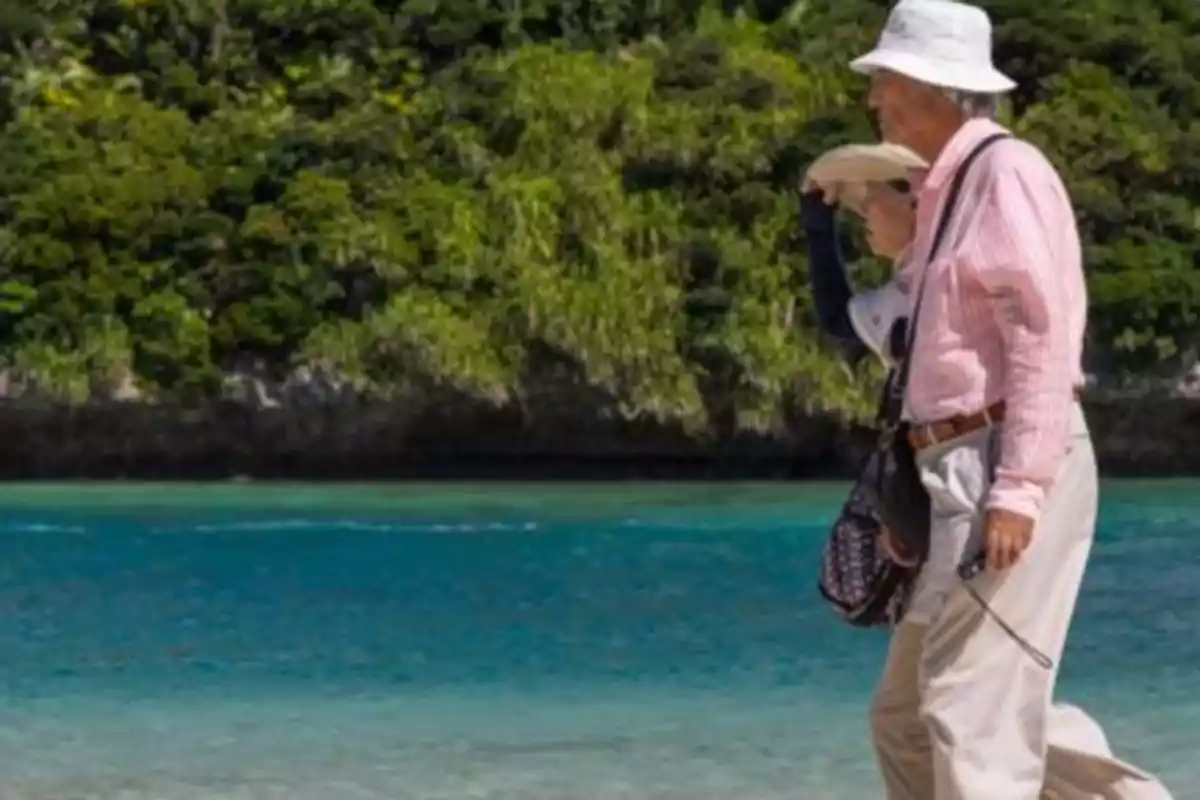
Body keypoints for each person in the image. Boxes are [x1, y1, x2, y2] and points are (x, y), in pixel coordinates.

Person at [828, 2, 1175, 799]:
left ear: (928, 85)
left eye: (884, 80)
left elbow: (1042, 334)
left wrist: (1017, 490)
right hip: (957, 467)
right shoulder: (947, 190)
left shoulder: (1005, 174)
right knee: (912, 714)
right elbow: (915, 337)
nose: (874, 97)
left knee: (967, 706)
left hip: (1006, 462)